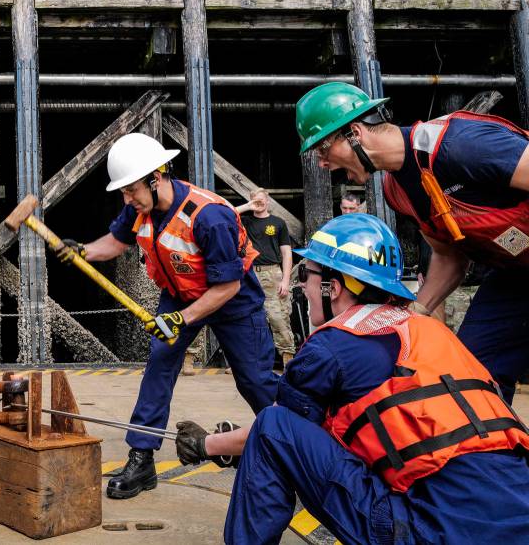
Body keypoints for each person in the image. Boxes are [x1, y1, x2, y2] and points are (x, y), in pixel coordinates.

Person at [176, 214, 529, 545]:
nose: (303, 287)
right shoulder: (434, 334)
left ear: (334, 286)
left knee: (273, 425)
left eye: (306, 275)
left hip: (433, 530)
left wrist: (206, 444)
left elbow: (279, 433)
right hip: (519, 511)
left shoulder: (331, 345)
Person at [55, 133, 277, 499]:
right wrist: (84, 251)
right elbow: (118, 240)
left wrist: (182, 319)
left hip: (233, 301)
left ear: (156, 178)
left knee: (255, 380)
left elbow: (228, 288)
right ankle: (142, 457)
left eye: (130, 190)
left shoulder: (210, 217)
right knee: (160, 363)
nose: (126, 199)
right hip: (179, 293)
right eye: (124, 192)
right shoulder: (140, 207)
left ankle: (291, 442)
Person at [295, 81, 529, 402]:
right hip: (515, 275)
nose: (322, 162)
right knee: (473, 375)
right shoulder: (398, 192)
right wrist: (414, 312)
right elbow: (449, 259)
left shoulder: (459, 143)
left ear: (354, 133)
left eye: (323, 148)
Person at [236, 189, 295, 364]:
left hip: (272, 273)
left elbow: (287, 254)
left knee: (278, 317)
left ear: (268, 202)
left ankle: (287, 358)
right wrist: (248, 206)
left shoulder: (278, 223)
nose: (259, 204)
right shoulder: (244, 221)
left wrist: (285, 280)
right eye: (255, 201)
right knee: (245, 317)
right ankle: (245, 361)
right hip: (249, 272)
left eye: (261, 201)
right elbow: (226, 213)